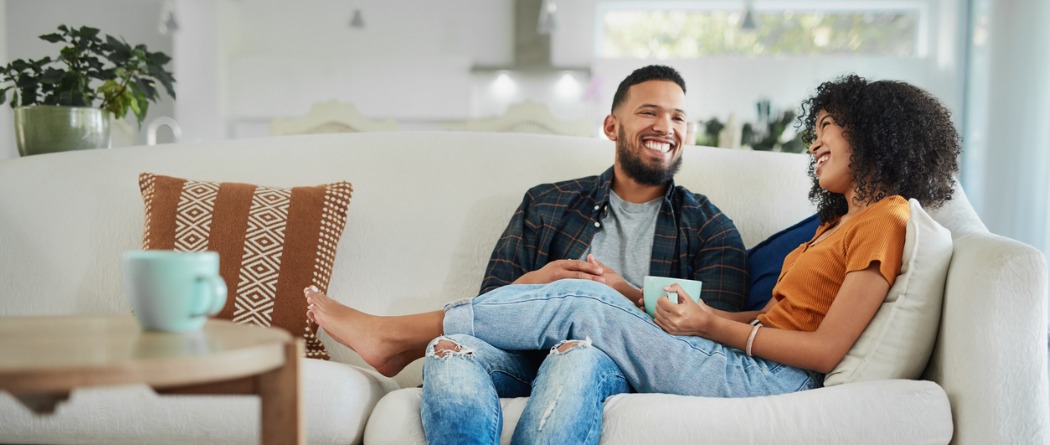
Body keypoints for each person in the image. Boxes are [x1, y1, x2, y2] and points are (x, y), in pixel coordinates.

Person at [306, 73, 961, 444]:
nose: (816, 146)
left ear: (876, 132)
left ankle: (395, 336)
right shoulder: (836, 225)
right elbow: (775, 314)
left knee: (586, 306)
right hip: (694, 354)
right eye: (815, 132)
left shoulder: (884, 219)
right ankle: (415, 341)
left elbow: (803, 346)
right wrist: (698, 316)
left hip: (747, 370)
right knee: (471, 349)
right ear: (612, 125)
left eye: (827, 129)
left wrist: (688, 316)